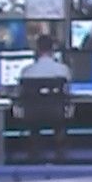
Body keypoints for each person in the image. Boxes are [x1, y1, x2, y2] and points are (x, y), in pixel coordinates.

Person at [16, 35, 71, 163]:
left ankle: (34, 151)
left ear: (37, 50)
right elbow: (67, 93)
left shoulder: (26, 71)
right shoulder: (63, 70)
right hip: (56, 113)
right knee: (60, 120)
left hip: (32, 114)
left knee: (34, 122)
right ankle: (60, 153)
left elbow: (20, 95)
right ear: (53, 50)